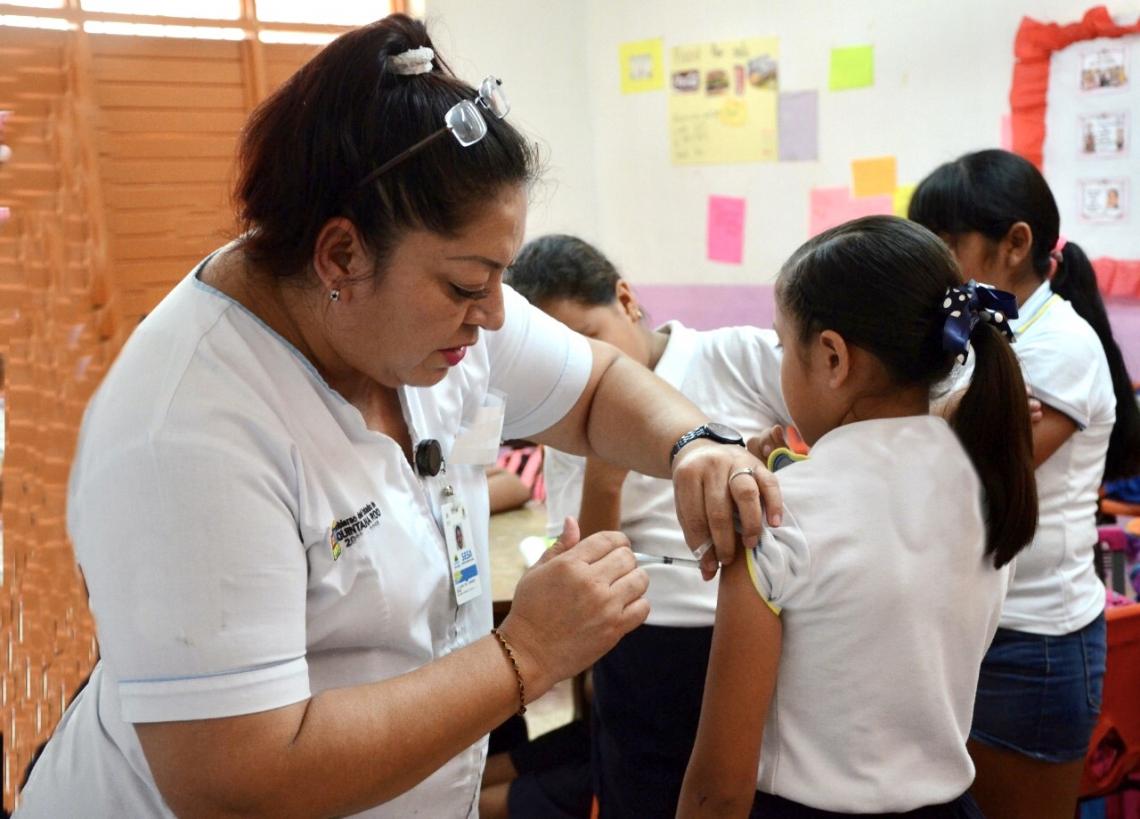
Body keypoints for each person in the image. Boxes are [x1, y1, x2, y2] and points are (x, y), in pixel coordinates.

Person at [16, 16, 781, 818]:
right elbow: (238, 778)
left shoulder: (424, 314)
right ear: (341, 256)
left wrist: (696, 442)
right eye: (465, 286)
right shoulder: (186, 431)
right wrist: (526, 653)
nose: (492, 316)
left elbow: (595, 389)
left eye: (500, 277)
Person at [678, 215, 1038, 818]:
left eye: (780, 345)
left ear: (832, 357)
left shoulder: (773, 515)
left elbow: (718, 792)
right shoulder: (988, 485)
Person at [506, 235, 789, 817]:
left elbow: (830, 410)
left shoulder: (730, 355)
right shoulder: (568, 411)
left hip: (748, 629)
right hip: (640, 640)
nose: (581, 363)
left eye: (589, 337)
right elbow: (583, 555)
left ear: (626, 300)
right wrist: (604, 477)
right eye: (560, 352)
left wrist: (777, 461)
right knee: (641, 790)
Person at [909, 149, 1140, 818]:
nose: (933, 267)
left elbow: (956, 482)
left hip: (1032, 642)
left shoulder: (1055, 349)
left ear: (1015, 244)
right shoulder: (980, 331)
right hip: (978, 627)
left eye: (947, 246)